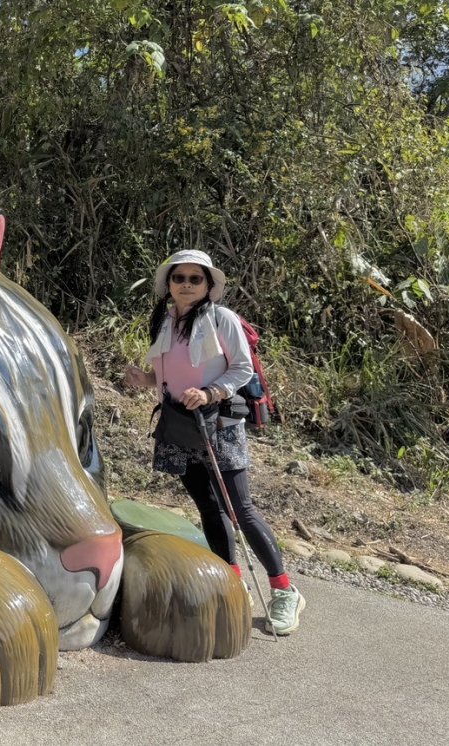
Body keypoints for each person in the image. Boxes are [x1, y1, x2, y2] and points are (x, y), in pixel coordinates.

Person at [124, 249, 305, 635]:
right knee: (208, 507)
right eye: (179, 278)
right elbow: (169, 374)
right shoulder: (165, 321)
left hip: (217, 424)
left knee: (240, 508)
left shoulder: (222, 319)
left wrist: (209, 393)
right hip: (177, 425)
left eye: (195, 279)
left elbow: (240, 368)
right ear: (168, 284)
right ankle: (232, 582)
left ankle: (285, 590)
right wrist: (146, 381)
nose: (186, 285)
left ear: (208, 286)